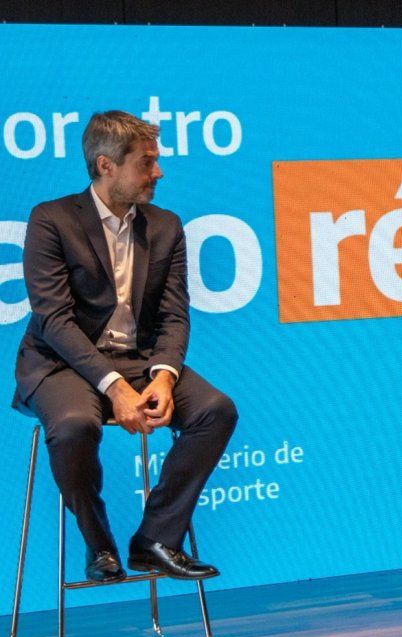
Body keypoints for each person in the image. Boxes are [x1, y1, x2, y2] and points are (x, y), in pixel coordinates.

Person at [13, 111, 238, 582]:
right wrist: (115, 387)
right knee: (74, 425)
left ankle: (156, 539)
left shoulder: (165, 226)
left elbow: (175, 315)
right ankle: (100, 548)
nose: (158, 173)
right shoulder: (52, 220)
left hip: (139, 361)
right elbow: (53, 320)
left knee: (215, 410)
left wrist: (163, 375)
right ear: (105, 165)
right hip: (62, 365)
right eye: (147, 163)